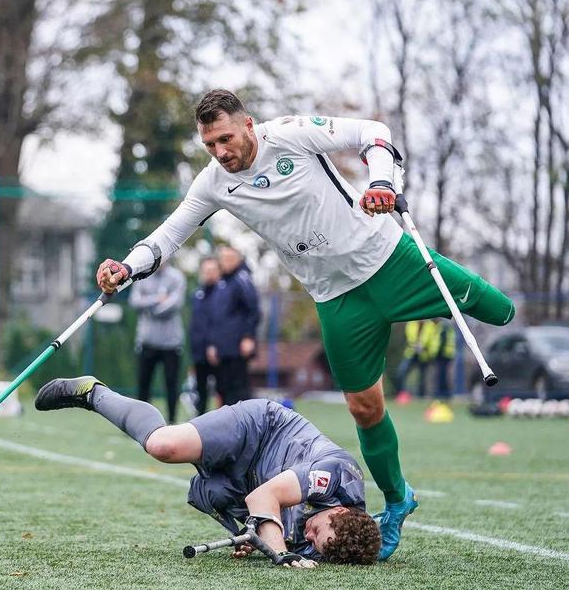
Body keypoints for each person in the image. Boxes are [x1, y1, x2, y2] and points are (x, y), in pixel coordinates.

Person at [95, 89, 515, 560]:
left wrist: (380, 182)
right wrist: (127, 267)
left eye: (226, 139)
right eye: (209, 144)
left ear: (249, 125)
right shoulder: (214, 182)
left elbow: (373, 133)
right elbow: (168, 235)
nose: (220, 152)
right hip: (336, 299)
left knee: (500, 309)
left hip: (390, 261)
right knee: (364, 408)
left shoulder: (291, 135)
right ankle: (398, 500)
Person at [34, 375, 381, 566]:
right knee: (163, 445)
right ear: (339, 510)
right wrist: (278, 553)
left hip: (249, 477)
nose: (308, 537)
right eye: (315, 531)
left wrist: (257, 538)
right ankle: (93, 392)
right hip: (259, 431)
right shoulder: (338, 475)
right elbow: (266, 497)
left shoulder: (328, 543)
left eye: (314, 544)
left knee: (211, 495)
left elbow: (279, 526)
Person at [129, 263, 186, 424]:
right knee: (143, 384)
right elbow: (134, 301)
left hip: (171, 343)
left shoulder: (177, 277)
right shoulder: (142, 277)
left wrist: (151, 308)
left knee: (172, 384)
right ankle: (141, 421)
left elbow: (175, 303)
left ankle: (172, 421)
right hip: (147, 341)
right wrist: (157, 300)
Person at [207, 246, 260, 405]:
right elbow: (217, 317)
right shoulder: (222, 282)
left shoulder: (242, 279)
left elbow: (253, 310)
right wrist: (213, 344)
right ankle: (228, 426)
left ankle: (247, 427)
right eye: (223, 258)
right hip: (223, 347)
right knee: (223, 388)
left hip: (237, 347)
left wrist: (248, 337)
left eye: (230, 258)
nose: (225, 262)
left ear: (238, 260)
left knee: (240, 390)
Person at [189, 256, 222, 414]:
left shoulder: (223, 294)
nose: (209, 274)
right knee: (200, 392)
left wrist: (214, 344)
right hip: (199, 352)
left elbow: (220, 323)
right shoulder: (197, 294)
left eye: (212, 270)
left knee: (222, 391)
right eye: (206, 271)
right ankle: (199, 428)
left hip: (218, 352)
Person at [395, 320, 437, 398]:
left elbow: (432, 340)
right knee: (402, 371)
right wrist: (415, 345)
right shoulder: (411, 324)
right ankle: (402, 394)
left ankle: (421, 395)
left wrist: (424, 346)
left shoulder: (430, 325)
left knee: (422, 376)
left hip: (424, 354)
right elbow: (409, 337)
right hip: (411, 352)